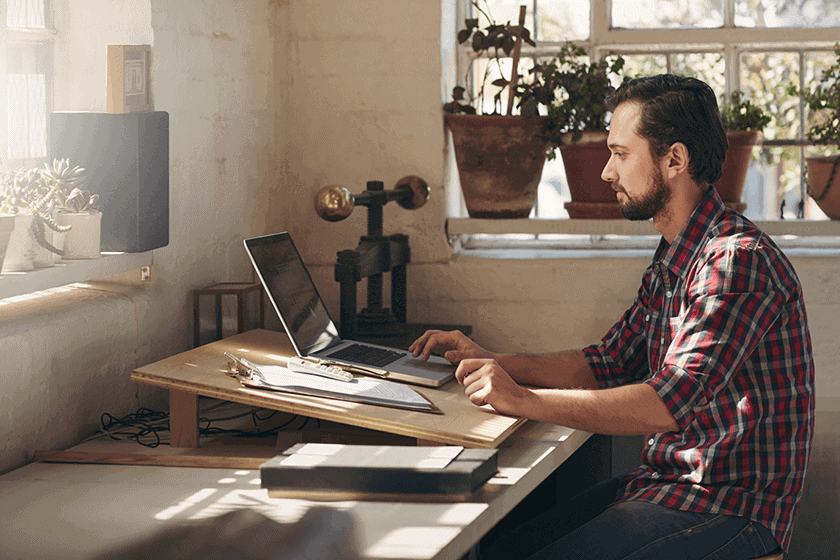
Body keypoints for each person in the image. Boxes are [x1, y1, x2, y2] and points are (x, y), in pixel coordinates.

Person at [410, 74, 814, 560]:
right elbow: (605, 363)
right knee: (501, 547)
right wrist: (495, 360)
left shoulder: (734, 261)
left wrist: (522, 399)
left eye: (621, 154)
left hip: (728, 507)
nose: (606, 172)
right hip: (666, 485)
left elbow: (665, 405)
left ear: (674, 160)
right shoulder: (676, 254)